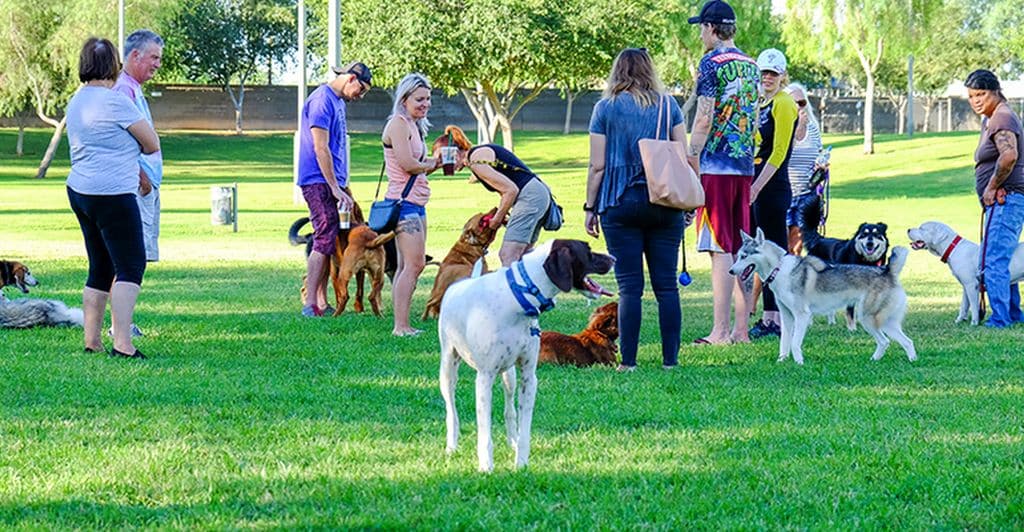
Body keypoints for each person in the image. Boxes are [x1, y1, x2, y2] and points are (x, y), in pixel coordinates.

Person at [585, 48, 688, 372]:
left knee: (630, 287)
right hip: (664, 201)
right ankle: (670, 361)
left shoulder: (605, 109)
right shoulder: (668, 105)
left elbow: (597, 165)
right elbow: (682, 155)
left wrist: (590, 206)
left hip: (618, 202)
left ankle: (627, 362)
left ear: (617, 72)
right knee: (666, 287)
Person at [65, 37, 160, 358]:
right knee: (131, 266)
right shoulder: (117, 102)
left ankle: (92, 341)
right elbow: (151, 144)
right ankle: (123, 344)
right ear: (114, 65)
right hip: (113, 193)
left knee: (100, 266)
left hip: (80, 191)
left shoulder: (76, 101)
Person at [686, 0, 762, 345]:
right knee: (742, 245)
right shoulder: (751, 65)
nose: (700, 34)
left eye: (701, 27)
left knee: (720, 248)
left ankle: (719, 331)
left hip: (716, 165)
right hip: (744, 165)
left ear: (711, 28)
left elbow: (704, 116)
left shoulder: (711, 63)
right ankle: (741, 330)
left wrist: (691, 155)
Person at [297, 61, 372, 317]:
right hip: (318, 180)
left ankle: (322, 301)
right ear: (351, 78)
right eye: (361, 90)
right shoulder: (322, 101)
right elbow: (321, 147)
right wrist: (334, 187)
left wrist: (342, 186)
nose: (360, 96)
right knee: (324, 236)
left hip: (334, 182)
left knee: (332, 238)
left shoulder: (338, 102)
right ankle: (310, 303)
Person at [435, 125, 553, 267]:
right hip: (537, 195)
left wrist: (497, 219)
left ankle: (512, 289)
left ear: (453, 153)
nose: (442, 165)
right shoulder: (477, 156)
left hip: (530, 197)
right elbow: (506, 189)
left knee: (508, 255)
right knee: (524, 255)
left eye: (442, 158)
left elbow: (510, 191)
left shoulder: (476, 161)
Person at [382, 73, 441, 337]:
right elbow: (408, 165)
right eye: (419, 99)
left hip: (416, 202)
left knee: (407, 265)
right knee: (414, 265)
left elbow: (418, 169)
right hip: (404, 204)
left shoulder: (413, 126)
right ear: (404, 99)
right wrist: (434, 164)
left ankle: (402, 323)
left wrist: (436, 165)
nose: (425, 103)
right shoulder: (398, 124)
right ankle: (401, 326)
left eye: (428, 98)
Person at [966, 69, 1024, 328]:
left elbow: (1009, 155)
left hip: (1006, 199)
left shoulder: (1001, 118)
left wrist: (991, 187)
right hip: (1006, 199)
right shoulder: (992, 118)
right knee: (1002, 257)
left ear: (996, 91)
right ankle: (1011, 313)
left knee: (995, 259)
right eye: (971, 96)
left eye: (981, 94)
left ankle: (1000, 318)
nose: (976, 100)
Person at [747, 48, 798, 340]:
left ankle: (777, 318)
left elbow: (779, 152)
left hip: (772, 184)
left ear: (782, 76)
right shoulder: (761, 102)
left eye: (773, 73)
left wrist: (757, 186)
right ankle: (770, 316)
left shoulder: (784, 103)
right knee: (763, 252)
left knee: (775, 252)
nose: (767, 78)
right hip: (756, 180)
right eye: (764, 72)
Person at [113, 30, 164, 264]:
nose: (158, 64)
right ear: (135, 55)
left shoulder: (134, 87)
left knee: (141, 258)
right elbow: (121, 140)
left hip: (147, 182)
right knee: (132, 259)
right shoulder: (124, 89)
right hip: (138, 184)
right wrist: (141, 176)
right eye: (154, 57)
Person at [784, 82, 822, 254]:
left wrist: (821, 165)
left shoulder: (813, 129)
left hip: (806, 193)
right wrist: (798, 125)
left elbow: (818, 153)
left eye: (802, 102)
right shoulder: (781, 128)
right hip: (784, 193)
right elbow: (783, 152)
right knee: (779, 245)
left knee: (797, 247)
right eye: (794, 102)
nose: (799, 106)